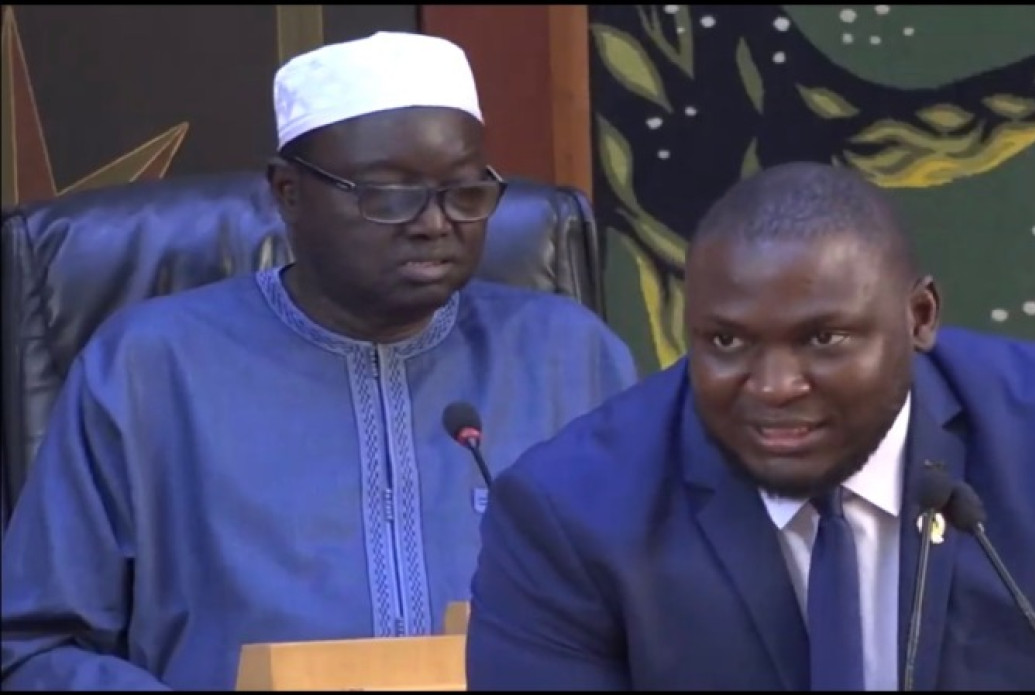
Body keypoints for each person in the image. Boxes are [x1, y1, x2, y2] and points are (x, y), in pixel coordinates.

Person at [1, 32, 638, 690]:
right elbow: (35, 649)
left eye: (464, 191)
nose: (435, 222)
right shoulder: (148, 369)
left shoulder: (569, 357)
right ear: (288, 193)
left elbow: (660, 605)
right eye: (390, 194)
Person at [465, 161, 1035, 691]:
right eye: (727, 342)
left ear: (919, 317)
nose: (774, 387)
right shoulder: (568, 512)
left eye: (825, 339)